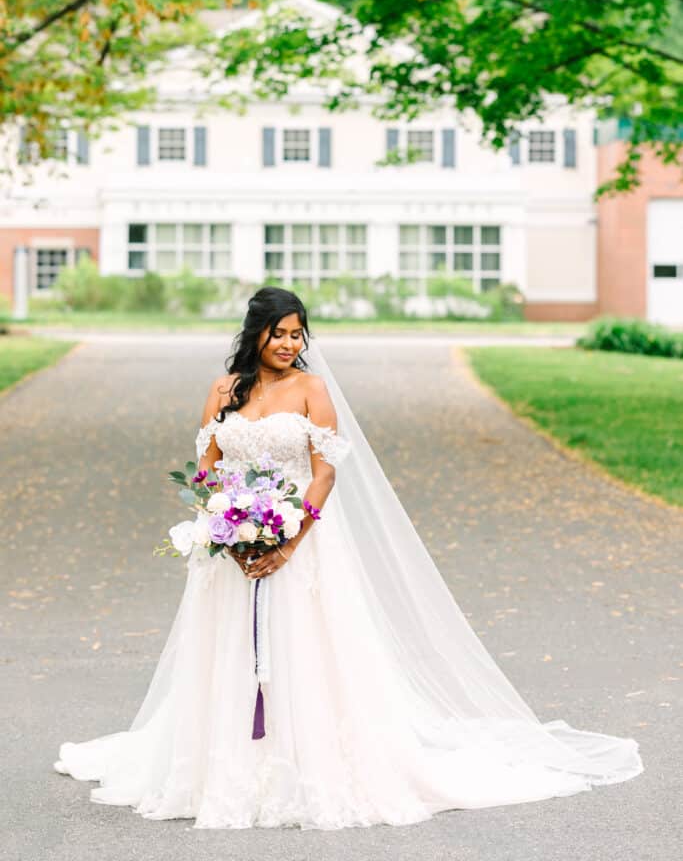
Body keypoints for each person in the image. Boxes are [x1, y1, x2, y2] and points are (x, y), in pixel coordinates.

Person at [54, 286, 644, 830]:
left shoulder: (312, 390)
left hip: (300, 539)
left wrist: (288, 541)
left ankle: (302, 764)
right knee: (226, 649)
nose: (289, 344)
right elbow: (207, 469)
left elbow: (324, 472)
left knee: (303, 647)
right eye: (279, 333)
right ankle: (224, 765)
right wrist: (228, 530)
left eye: (297, 334)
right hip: (231, 551)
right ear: (256, 332)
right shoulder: (223, 389)